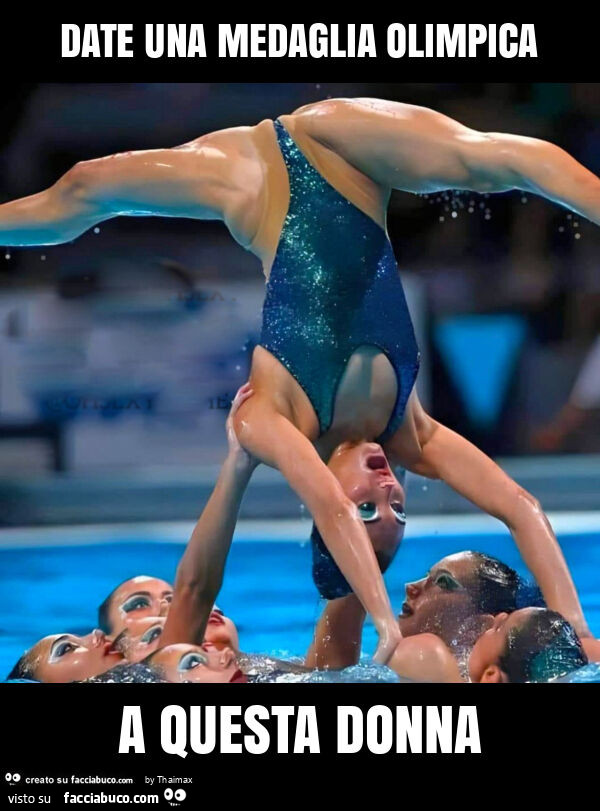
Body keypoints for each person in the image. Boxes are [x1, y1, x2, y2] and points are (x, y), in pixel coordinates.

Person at [2, 97, 599, 660]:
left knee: (83, 186)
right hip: (350, 159)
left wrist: (385, 625)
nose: (386, 490)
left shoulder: (270, 416)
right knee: (498, 161)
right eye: (397, 509)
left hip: (254, 184)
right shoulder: (410, 432)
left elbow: (332, 510)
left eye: (371, 510)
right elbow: (521, 507)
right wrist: (580, 635)